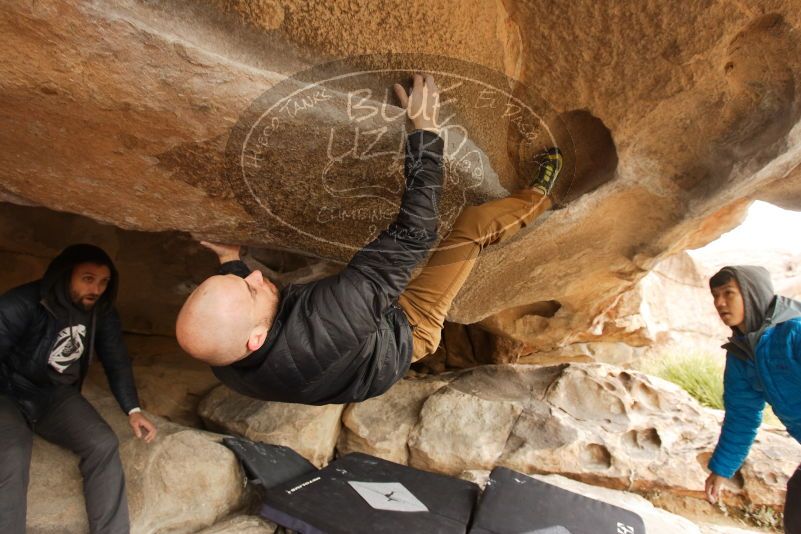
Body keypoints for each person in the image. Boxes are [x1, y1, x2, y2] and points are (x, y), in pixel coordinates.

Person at [176, 73, 564, 404]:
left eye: (242, 277)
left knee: (362, 282)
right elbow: (414, 235)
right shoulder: (333, 316)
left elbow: (237, 318)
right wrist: (426, 133)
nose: (256, 277)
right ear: (256, 339)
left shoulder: (225, 358)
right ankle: (539, 200)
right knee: (474, 226)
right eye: (250, 290)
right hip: (407, 330)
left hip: (349, 352)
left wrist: (230, 259)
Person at [0, 244, 157, 534]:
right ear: (65, 275)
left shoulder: (102, 311)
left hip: (54, 395)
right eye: (87, 278)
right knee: (13, 450)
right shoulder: (21, 302)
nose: (96, 289)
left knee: (103, 444)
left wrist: (132, 410)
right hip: (8, 391)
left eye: (103, 282)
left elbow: (116, 360)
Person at [704, 265, 801, 533]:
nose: (720, 302)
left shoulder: (794, 332)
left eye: (728, 293)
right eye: (715, 295)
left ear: (751, 293)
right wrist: (722, 469)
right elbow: (742, 416)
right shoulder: (741, 353)